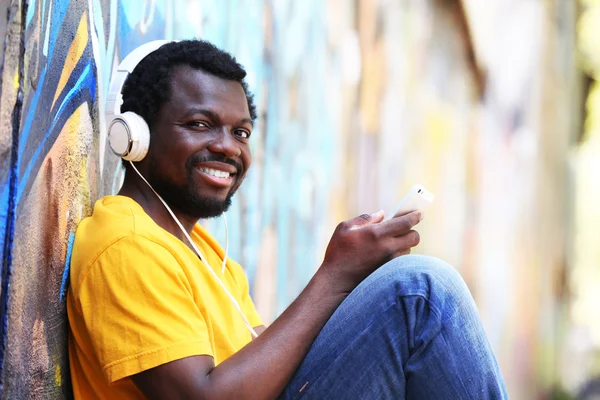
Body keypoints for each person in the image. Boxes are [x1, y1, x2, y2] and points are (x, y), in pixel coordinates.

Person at [66, 39, 508, 400]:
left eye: (240, 132)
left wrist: (352, 281)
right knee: (419, 292)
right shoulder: (124, 243)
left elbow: (276, 368)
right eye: (201, 124)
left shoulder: (203, 254)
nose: (228, 147)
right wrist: (334, 276)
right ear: (134, 134)